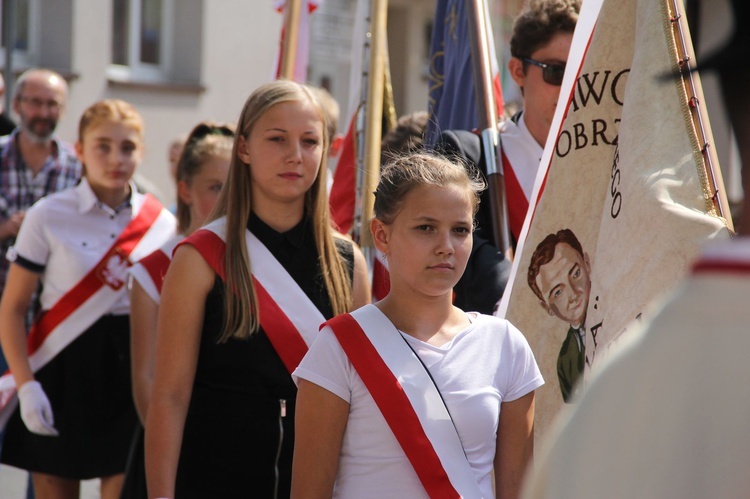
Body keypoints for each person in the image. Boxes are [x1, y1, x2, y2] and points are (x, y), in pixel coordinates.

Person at [145, 80, 371, 498]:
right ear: (244, 148)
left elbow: (359, 400)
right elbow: (170, 397)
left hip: (315, 481)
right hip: (215, 477)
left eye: (309, 141)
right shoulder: (200, 257)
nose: (295, 155)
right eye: (277, 139)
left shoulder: (348, 263)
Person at [291, 153, 544, 498]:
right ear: (381, 235)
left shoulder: (505, 345)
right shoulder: (339, 347)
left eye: (460, 230)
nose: (446, 247)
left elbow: (518, 490)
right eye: (425, 228)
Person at [0, 99, 176, 499]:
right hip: (60, 373)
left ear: (142, 152)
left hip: (131, 376)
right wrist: (26, 386)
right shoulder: (48, 215)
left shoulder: (162, 223)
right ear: (79, 150)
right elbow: (11, 309)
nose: (116, 158)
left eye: (128, 147)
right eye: (103, 146)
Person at [121, 121, 234, 499]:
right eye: (215, 188)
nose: (227, 201)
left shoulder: (258, 262)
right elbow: (146, 383)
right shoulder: (154, 269)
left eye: (236, 187)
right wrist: (175, 458)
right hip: (177, 454)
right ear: (185, 190)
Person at [527, 228, 591, 403]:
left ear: (587, 263)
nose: (573, 294)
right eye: (558, 292)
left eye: (575, 274)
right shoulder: (564, 360)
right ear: (546, 307)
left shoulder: (619, 302)